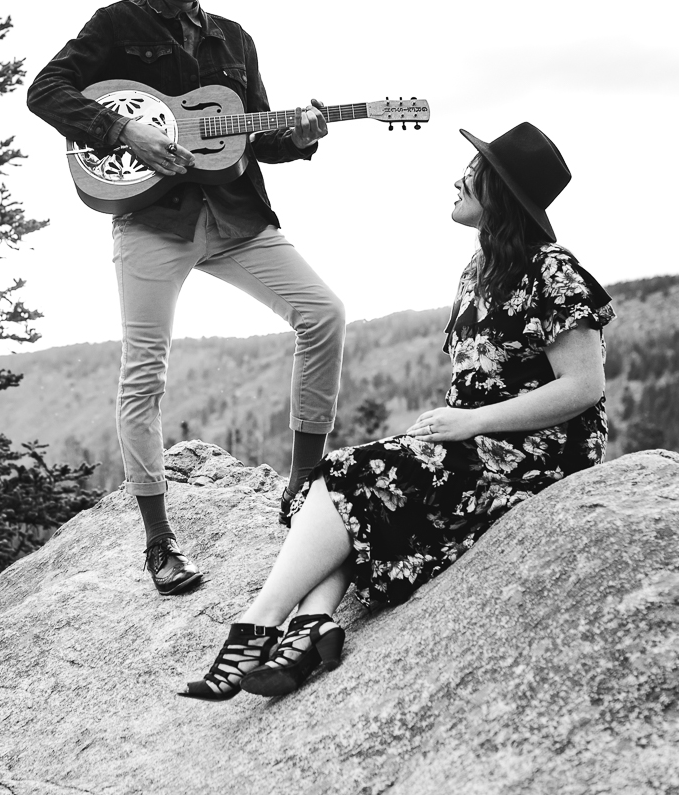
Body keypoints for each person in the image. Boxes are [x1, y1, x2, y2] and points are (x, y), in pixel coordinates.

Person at [180, 121, 614, 699]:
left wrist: (472, 422)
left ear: (501, 191)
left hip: (536, 456)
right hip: (479, 444)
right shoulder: (479, 271)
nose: (457, 180)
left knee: (345, 477)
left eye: (473, 171)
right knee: (342, 491)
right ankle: (312, 626)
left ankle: (259, 624)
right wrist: (451, 424)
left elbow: (584, 388)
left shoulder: (553, 272)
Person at [26, 0, 346, 596]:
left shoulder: (234, 39)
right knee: (143, 378)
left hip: (234, 216)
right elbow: (44, 92)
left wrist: (304, 133)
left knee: (323, 313)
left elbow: (254, 136)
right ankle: (160, 544)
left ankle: (301, 488)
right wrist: (121, 132)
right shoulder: (115, 27)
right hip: (150, 220)